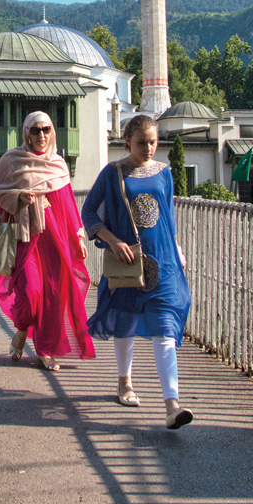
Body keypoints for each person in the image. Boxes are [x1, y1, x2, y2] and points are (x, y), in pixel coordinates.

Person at [83, 114, 194, 429]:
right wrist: (113, 241)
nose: (149, 148)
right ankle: (124, 381)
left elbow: (169, 215)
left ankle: (172, 404)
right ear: (128, 140)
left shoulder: (164, 173)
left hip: (164, 261)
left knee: (164, 330)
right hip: (129, 260)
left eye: (154, 142)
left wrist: (178, 248)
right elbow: (89, 210)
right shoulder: (113, 173)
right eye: (142, 142)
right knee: (126, 322)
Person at [0, 112, 95, 372]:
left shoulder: (57, 164)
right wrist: (18, 198)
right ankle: (23, 328)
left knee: (55, 296)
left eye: (46, 129)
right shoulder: (12, 161)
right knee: (30, 290)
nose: (41, 136)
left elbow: (68, 204)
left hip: (55, 239)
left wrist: (78, 236)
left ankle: (45, 350)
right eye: (35, 130)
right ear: (26, 132)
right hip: (24, 239)